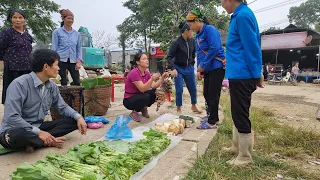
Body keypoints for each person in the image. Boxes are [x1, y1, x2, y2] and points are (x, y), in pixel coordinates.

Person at [0, 49, 87, 152]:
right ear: (46, 67)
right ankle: (43, 140)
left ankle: (37, 142)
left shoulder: (52, 86)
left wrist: (79, 117)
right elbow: (12, 117)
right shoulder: (19, 84)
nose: (58, 68)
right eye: (56, 65)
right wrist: (39, 133)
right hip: (16, 129)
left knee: (73, 121)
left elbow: (62, 107)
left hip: (38, 126)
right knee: (22, 136)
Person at [221, 0, 264, 166]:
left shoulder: (243, 16)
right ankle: (236, 146)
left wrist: (257, 73)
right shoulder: (239, 15)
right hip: (238, 73)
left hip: (243, 74)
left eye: (222, 1)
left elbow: (252, 47)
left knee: (241, 114)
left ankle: (245, 156)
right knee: (236, 112)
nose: (222, 4)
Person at [186, 9, 226, 129]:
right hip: (208, 69)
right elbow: (200, 53)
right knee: (207, 93)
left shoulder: (210, 30)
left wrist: (202, 66)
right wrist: (200, 70)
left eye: (191, 25)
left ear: (197, 20)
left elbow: (214, 48)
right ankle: (212, 117)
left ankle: (212, 122)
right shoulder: (198, 35)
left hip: (217, 67)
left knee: (212, 94)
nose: (190, 28)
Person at [166, 21, 202, 113]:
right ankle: (178, 108)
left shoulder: (192, 41)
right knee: (179, 89)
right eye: (191, 30)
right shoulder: (176, 42)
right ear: (186, 31)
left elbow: (194, 54)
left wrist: (193, 64)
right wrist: (173, 68)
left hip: (189, 68)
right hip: (178, 69)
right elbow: (169, 57)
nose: (192, 32)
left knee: (193, 88)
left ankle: (194, 105)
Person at [0, 9, 33, 104]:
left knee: (26, 92)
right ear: (10, 19)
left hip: (27, 68)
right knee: (11, 91)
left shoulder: (27, 35)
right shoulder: (6, 33)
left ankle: (24, 115)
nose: (18, 20)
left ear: (24, 19)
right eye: (15, 17)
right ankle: (10, 115)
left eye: (20, 17)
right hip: (12, 68)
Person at [123, 53, 168, 122]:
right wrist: (152, 79)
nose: (147, 60)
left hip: (139, 96)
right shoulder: (134, 72)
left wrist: (162, 79)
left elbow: (154, 86)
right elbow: (142, 89)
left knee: (154, 93)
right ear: (138, 62)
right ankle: (135, 112)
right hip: (129, 100)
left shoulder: (146, 72)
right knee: (145, 96)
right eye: (144, 59)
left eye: (147, 59)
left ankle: (143, 108)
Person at [52, 9, 83, 86]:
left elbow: (79, 48)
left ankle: (74, 97)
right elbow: (54, 48)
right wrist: (54, 61)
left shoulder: (77, 34)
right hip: (61, 60)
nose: (70, 20)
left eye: (72, 19)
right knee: (63, 82)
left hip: (73, 60)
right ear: (63, 19)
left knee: (77, 81)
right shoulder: (57, 32)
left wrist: (79, 61)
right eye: (68, 18)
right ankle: (63, 97)